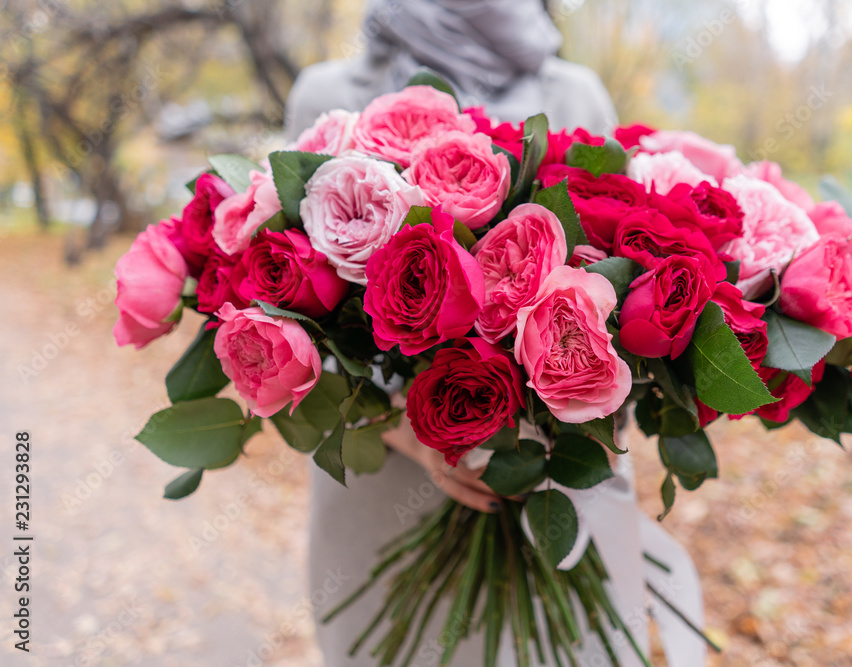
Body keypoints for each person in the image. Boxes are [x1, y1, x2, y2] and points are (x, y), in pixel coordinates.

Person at [284, 2, 705, 665]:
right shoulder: (327, 94)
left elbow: (620, 287)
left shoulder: (574, 93)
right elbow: (300, 306)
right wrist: (417, 433)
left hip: (550, 485)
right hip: (385, 489)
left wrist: (551, 427)